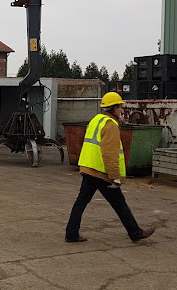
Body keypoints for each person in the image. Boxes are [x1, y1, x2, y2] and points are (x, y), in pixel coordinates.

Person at [65, 92, 155, 243]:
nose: (122, 110)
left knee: (81, 201)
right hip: (101, 172)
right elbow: (110, 153)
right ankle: (135, 233)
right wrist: (115, 177)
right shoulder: (110, 125)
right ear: (114, 108)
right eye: (120, 107)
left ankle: (71, 233)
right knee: (119, 203)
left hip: (88, 168)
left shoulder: (96, 120)